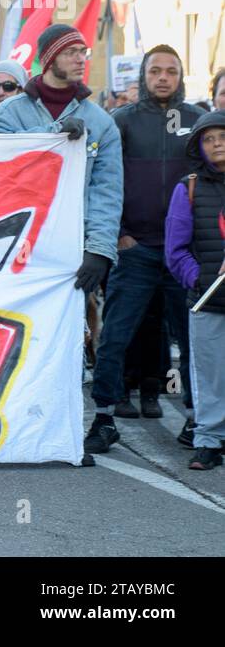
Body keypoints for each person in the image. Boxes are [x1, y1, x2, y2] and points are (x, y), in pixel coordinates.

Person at [85, 46, 204, 455]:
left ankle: (198, 420)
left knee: (192, 342)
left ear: (181, 75)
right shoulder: (121, 121)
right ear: (143, 75)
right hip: (134, 249)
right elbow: (99, 181)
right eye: (155, 71)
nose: (163, 78)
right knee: (115, 336)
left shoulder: (197, 122)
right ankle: (103, 416)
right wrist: (118, 233)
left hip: (184, 256)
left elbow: (210, 185)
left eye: (172, 71)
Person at [0, 23, 122, 323]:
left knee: (63, 334)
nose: (80, 59)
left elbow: (106, 193)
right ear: (49, 58)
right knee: (11, 329)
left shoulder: (101, 122)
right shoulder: (11, 112)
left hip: (70, 250)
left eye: (82, 52)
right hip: (13, 245)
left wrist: (98, 251)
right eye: (71, 52)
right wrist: (52, 135)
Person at [164, 110, 225, 469]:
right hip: (208, 299)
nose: (218, 144)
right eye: (209, 139)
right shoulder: (188, 187)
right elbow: (176, 251)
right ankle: (209, 441)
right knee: (209, 375)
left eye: (223, 137)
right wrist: (201, 278)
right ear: (199, 147)